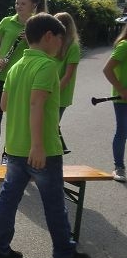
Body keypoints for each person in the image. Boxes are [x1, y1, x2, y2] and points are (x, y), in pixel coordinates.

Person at [0, 12, 91, 258]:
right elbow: (36, 104)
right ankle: (64, 254)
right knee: (54, 203)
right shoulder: (46, 66)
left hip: (15, 147)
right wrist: (38, 145)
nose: (61, 45)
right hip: (42, 149)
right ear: (48, 36)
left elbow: (3, 105)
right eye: (60, 39)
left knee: (8, 199)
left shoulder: (16, 66)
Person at [0, 0, 47, 165]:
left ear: (34, 5)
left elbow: (44, 51)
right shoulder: (7, 21)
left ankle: (8, 154)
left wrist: (30, 40)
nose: (18, 6)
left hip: (23, 78)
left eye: (23, 3)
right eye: (17, 3)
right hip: (1, 75)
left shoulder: (37, 25)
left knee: (15, 118)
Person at [102, 23, 127, 182]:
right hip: (122, 99)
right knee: (122, 131)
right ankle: (119, 167)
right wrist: (121, 90)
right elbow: (107, 69)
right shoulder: (124, 45)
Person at [55, 12, 80, 154]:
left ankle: (56, 151)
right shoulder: (54, 43)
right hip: (49, 89)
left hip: (61, 92)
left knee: (52, 124)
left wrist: (54, 92)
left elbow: (68, 75)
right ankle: (60, 147)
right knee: (51, 124)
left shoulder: (73, 47)